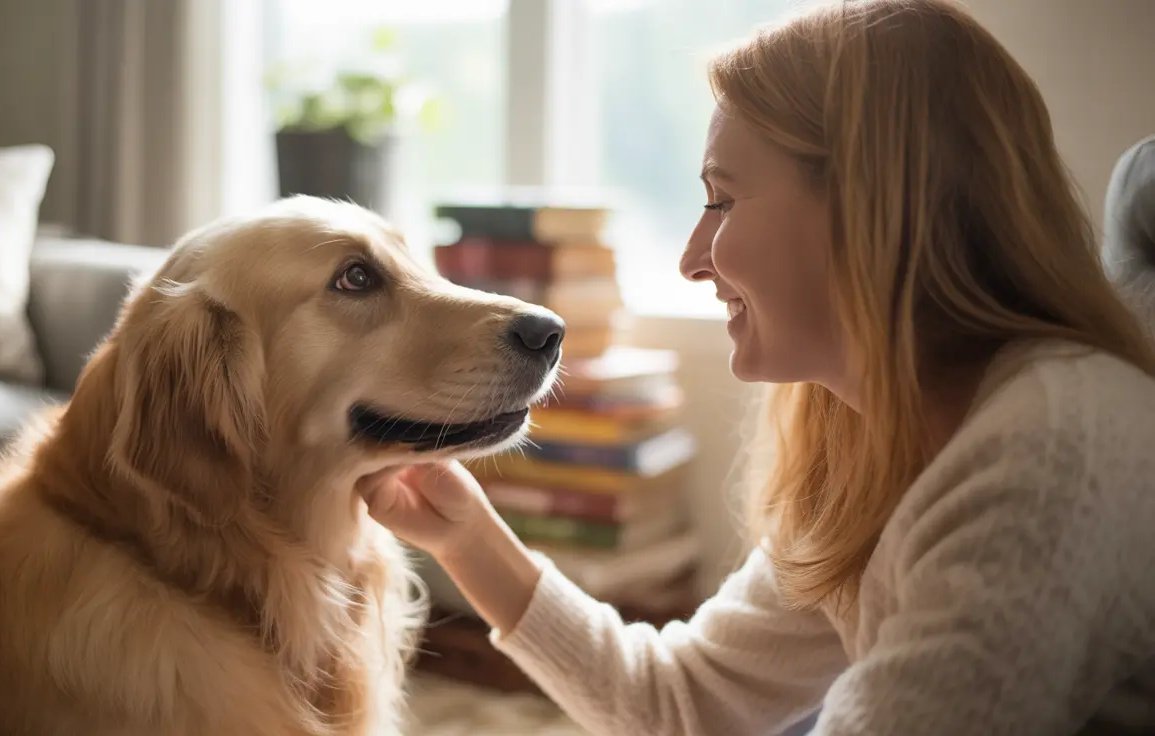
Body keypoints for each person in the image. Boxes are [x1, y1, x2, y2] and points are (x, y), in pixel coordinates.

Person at [356, 0, 1155, 733]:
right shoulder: (872, 444)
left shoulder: (1047, 447)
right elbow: (682, 699)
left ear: (873, 205)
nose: (691, 259)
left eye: (724, 200)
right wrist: (464, 535)